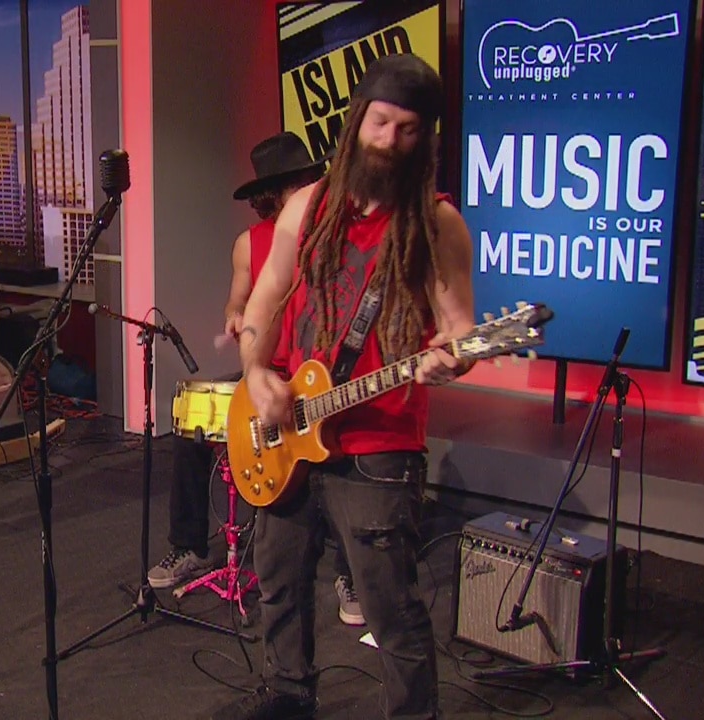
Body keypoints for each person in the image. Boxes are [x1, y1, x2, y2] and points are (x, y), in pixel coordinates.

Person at [211, 54, 474, 720]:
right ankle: (289, 694)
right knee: (280, 581)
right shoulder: (310, 205)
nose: (389, 140)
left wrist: (452, 357)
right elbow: (267, 297)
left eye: (407, 130)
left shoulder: (436, 223)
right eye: (380, 122)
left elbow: (460, 329)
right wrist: (255, 372)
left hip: (380, 443)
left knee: (390, 606)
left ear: (425, 139)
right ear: (357, 120)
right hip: (291, 426)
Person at [149, 132, 365, 627]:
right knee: (191, 422)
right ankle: (189, 546)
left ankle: (349, 572)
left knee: (339, 452)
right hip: (268, 370)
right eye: (289, 189)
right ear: (270, 195)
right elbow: (239, 298)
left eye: (304, 184)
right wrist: (234, 315)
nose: (300, 196)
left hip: (324, 372)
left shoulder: (337, 230)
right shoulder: (250, 243)